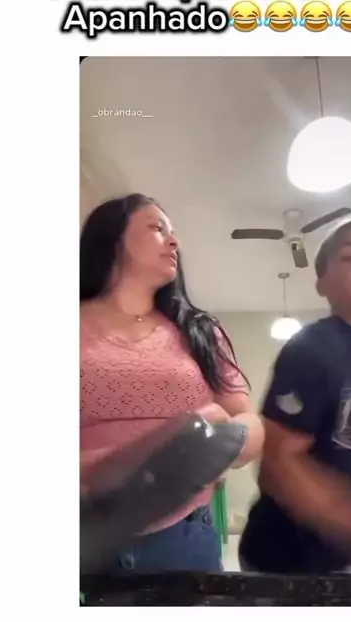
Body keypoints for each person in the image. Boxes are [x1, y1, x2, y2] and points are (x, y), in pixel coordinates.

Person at [80, 193, 264, 574]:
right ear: (112, 237)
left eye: (173, 232)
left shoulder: (200, 331)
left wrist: (225, 439)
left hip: (186, 539)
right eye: (158, 228)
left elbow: (249, 422)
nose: (175, 241)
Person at [239, 218, 351, 574]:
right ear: (322, 284)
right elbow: (277, 465)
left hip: (345, 554)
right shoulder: (312, 349)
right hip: (283, 557)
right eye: (348, 256)